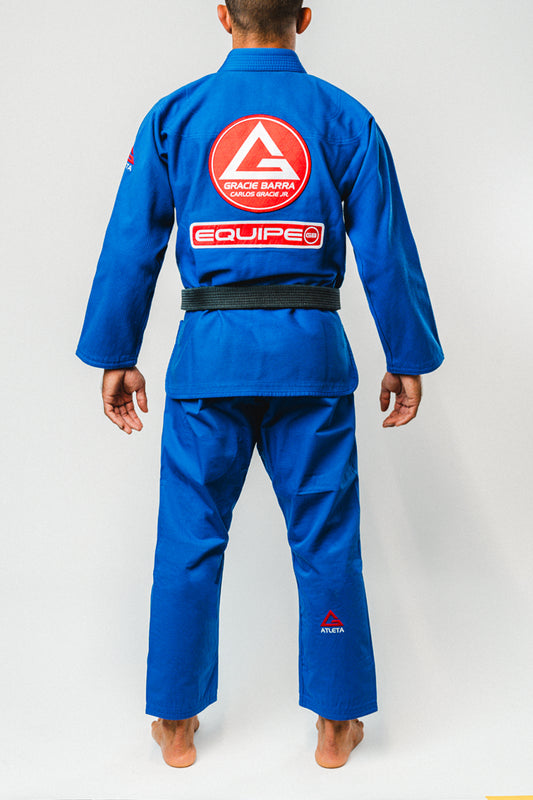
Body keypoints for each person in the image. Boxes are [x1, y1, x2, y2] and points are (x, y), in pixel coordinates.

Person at [76, 0, 444, 769]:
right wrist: (405, 355)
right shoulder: (344, 120)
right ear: (303, 18)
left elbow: (131, 242)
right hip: (310, 361)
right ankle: (336, 723)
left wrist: (116, 351)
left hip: (207, 361)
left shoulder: (176, 117)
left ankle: (175, 721)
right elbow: (385, 249)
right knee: (326, 542)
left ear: (222, 16)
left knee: (188, 543)